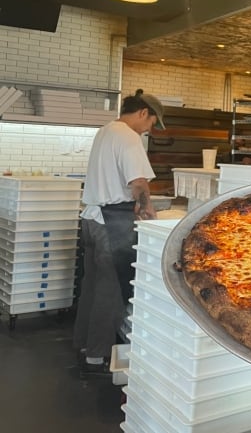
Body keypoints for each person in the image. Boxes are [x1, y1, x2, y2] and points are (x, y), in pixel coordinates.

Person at [73, 89, 165, 377]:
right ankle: (98, 357)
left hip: (91, 218)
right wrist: (148, 213)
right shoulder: (129, 137)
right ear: (142, 113)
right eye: (151, 122)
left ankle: (85, 346)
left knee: (91, 287)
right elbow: (138, 183)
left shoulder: (105, 131)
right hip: (112, 223)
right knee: (110, 292)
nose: (150, 128)